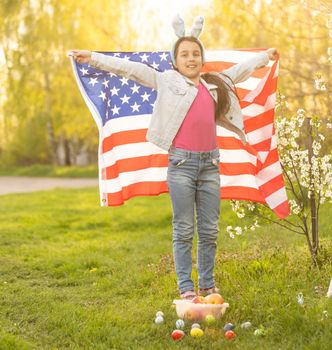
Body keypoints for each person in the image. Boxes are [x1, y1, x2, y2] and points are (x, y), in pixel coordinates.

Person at [70, 15, 278, 300]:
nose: (191, 59)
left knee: (208, 230)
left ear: (202, 58)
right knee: (183, 229)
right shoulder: (166, 80)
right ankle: (186, 289)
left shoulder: (215, 83)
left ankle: (207, 285)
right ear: (175, 60)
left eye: (195, 54)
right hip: (181, 165)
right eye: (184, 54)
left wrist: (265, 57)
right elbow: (128, 69)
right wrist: (92, 58)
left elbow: (241, 70)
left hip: (210, 166)